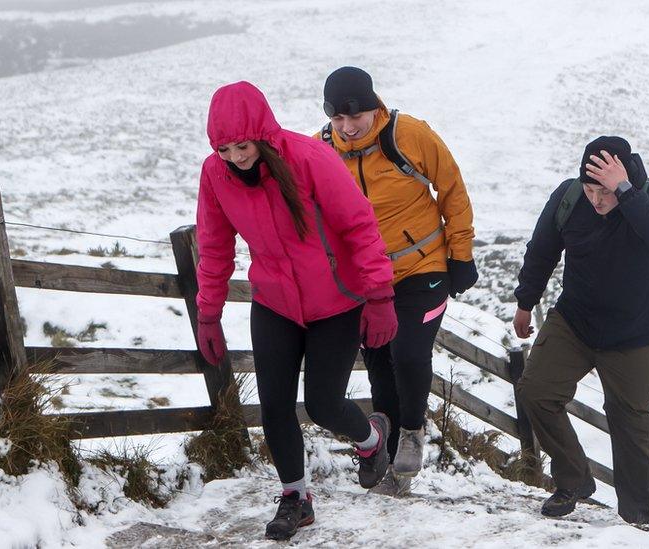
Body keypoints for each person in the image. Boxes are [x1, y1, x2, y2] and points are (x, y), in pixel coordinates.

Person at [194, 81, 398, 541]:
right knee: (275, 406)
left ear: (262, 134)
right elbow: (214, 245)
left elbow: (359, 224)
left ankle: (372, 440)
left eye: (243, 145)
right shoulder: (215, 175)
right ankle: (296, 499)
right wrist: (209, 313)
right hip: (275, 303)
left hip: (336, 302)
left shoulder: (307, 157)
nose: (236, 157)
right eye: (224, 149)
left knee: (323, 405)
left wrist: (380, 296)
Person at [315, 67, 477, 496]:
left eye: (357, 117)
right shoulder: (321, 150)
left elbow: (453, 190)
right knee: (380, 362)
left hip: (422, 267)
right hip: (367, 280)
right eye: (338, 120)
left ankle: (412, 431)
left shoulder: (410, 135)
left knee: (408, 350)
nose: (348, 128)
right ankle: (386, 454)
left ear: (375, 107)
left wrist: (460, 255)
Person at [512, 136, 649, 525]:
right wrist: (526, 301)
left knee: (632, 424)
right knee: (536, 390)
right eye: (590, 189)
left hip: (634, 336)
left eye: (604, 190)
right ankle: (573, 480)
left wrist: (625, 192)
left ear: (624, 181)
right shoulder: (570, 198)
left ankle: (638, 518)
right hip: (576, 322)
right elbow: (542, 249)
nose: (596, 200)